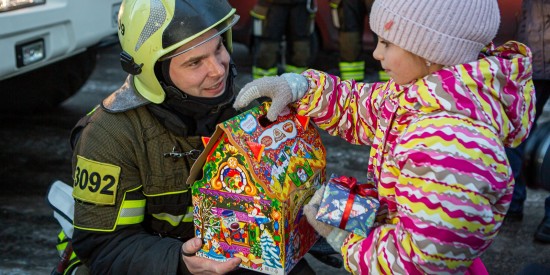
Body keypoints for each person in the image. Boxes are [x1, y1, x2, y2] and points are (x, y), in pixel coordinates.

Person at [233, 0, 535, 273]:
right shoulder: (421, 92)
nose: (376, 53)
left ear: (431, 50)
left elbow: (418, 264)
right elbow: (360, 108)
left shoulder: (452, 147)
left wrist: (345, 239)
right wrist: (300, 88)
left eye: (386, 42)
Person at [59, 0, 316, 274]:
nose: (218, 69)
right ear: (155, 72)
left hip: (232, 255)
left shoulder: (246, 112)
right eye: (195, 62)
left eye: (219, 48)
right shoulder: (111, 135)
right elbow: (103, 245)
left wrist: (301, 219)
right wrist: (179, 263)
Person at [506, 0, 550, 243]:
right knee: (516, 133)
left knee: (518, 133)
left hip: (534, 53)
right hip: (533, 57)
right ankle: (512, 202)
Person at [250, 0, 317, 79]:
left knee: (300, 49)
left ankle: (296, 84)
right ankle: (263, 86)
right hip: (271, 5)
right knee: (267, 50)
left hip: (301, 5)